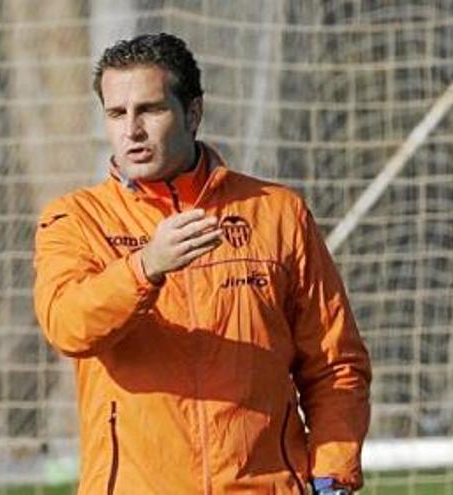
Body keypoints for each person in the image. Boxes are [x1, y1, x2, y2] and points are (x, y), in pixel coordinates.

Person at [33, 33, 371, 495]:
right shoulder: (74, 218)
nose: (131, 130)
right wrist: (144, 267)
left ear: (193, 113)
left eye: (150, 110)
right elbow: (67, 325)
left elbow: (334, 363)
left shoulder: (277, 212)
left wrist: (333, 475)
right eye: (116, 113)